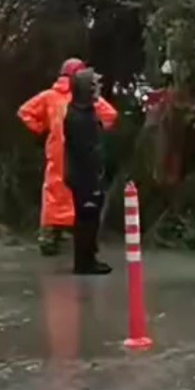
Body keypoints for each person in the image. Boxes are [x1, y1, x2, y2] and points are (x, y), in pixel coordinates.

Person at [18, 58, 118, 255]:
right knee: (82, 194)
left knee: (54, 193)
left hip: (57, 153)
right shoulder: (86, 98)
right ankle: (83, 239)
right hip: (82, 154)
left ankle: (49, 237)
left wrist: (42, 129)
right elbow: (110, 116)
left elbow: (25, 112)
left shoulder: (49, 96)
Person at [64, 68, 112, 275]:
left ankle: (88, 257)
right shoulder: (79, 118)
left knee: (90, 217)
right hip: (84, 176)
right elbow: (86, 151)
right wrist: (94, 177)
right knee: (86, 219)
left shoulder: (84, 112)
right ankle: (84, 262)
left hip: (87, 174)